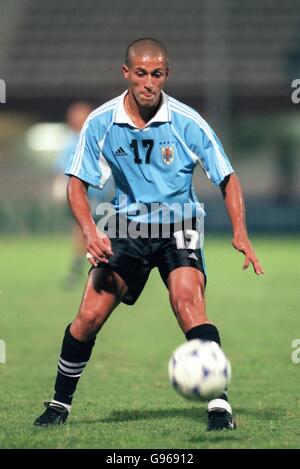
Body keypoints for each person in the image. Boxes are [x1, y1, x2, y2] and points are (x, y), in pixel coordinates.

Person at [34, 38, 264, 431]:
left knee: (187, 302)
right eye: (140, 73)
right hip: (126, 227)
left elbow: (227, 177)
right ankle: (59, 404)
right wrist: (90, 231)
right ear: (126, 73)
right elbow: (76, 183)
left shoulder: (189, 123)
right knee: (89, 315)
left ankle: (218, 405)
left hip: (179, 224)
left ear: (166, 75)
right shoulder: (102, 122)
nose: (148, 82)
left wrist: (240, 232)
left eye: (156, 74)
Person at [52, 102, 115, 288]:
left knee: (97, 232)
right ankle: (86, 269)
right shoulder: (73, 141)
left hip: (105, 195)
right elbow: (62, 169)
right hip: (86, 196)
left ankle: (94, 269)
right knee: (86, 232)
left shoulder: (100, 137)